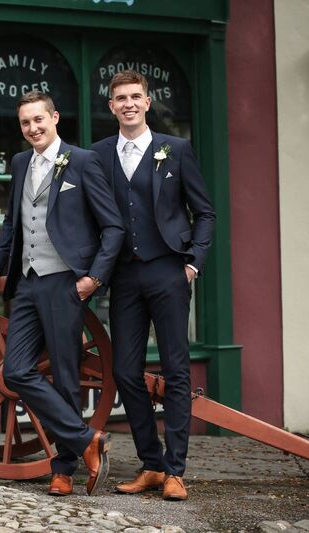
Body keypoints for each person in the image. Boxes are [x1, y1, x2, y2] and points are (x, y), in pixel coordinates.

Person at [0, 90, 124, 496]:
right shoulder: (21, 162)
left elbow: (112, 227)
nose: (32, 128)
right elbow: (13, 224)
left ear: (55, 117)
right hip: (26, 281)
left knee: (64, 375)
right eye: (25, 123)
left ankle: (63, 470)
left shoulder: (83, 160)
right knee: (17, 369)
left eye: (38, 120)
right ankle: (86, 440)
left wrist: (93, 277)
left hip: (65, 282)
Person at [91, 70, 215, 501]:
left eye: (135, 96)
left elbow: (205, 212)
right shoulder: (99, 154)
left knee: (176, 370)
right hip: (123, 275)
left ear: (147, 102)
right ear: (111, 106)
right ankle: (151, 464)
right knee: (126, 370)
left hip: (168, 270)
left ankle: (176, 471)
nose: (128, 103)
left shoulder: (175, 150)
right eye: (120, 97)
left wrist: (193, 264)